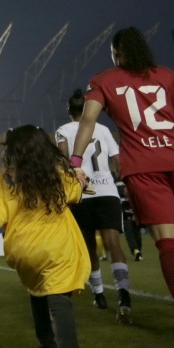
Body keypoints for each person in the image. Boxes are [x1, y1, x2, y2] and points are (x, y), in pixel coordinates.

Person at [68, 27, 174, 348]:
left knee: (168, 245)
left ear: (118, 53)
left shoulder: (102, 80)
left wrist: (76, 161)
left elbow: (87, 122)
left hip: (144, 166)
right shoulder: (169, 76)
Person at [0, 125, 90, 348]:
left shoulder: (4, 180)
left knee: (38, 293)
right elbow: (77, 192)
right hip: (58, 249)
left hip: (25, 253)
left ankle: (47, 347)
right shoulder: (57, 175)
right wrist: (82, 179)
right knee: (59, 300)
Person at [56, 88, 132, 321]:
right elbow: (118, 161)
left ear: (69, 110)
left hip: (81, 195)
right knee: (112, 244)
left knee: (88, 246)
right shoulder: (104, 129)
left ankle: (99, 294)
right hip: (107, 192)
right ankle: (124, 296)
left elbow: (63, 160)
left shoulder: (63, 130)